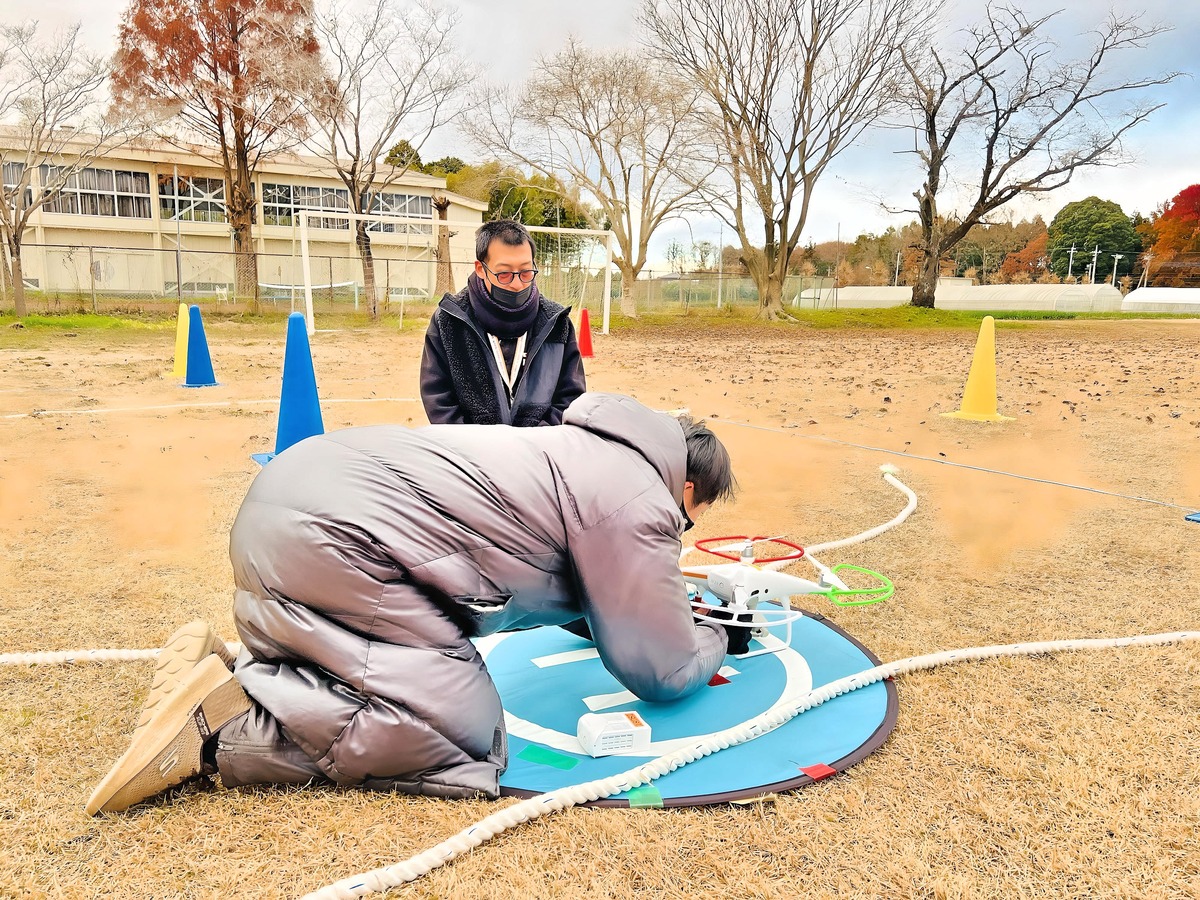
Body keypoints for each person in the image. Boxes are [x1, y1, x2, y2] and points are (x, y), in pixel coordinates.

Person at [87, 393, 741, 815]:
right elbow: (657, 667)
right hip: (344, 541)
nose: (683, 528)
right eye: (693, 516)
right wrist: (714, 635)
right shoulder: (637, 497)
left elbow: (586, 598)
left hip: (297, 502)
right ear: (686, 486)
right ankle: (217, 733)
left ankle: (229, 673)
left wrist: (659, 610)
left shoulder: (579, 452)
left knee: (376, 655)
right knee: (454, 731)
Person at [420, 219, 586, 427]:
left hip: (539, 451)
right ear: (481, 269)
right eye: (504, 274)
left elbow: (571, 398)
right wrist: (477, 447)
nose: (517, 284)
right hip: (472, 453)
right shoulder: (449, 321)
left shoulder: (556, 323)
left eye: (526, 272)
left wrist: (535, 442)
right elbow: (439, 400)